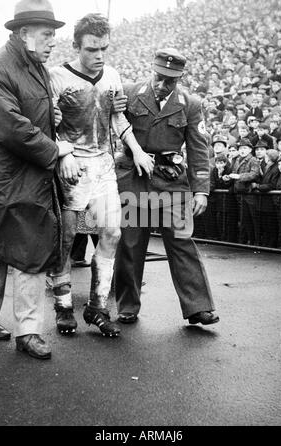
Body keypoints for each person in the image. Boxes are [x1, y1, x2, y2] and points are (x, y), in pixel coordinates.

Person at [49, 14, 154, 337]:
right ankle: (64, 305)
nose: (99, 56)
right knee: (66, 239)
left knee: (112, 234)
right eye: (92, 49)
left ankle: (97, 306)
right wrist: (62, 151)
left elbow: (118, 120)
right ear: (76, 46)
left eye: (103, 49)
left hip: (103, 165)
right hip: (72, 165)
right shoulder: (56, 77)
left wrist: (135, 149)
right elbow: (45, 125)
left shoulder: (111, 75)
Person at [0, 0, 71, 359]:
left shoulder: (38, 67)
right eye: (48, 34)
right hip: (3, 177)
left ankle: (29, 331)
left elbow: (30, 117)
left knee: (30, 253)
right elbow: (9, 125)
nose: (53, 42)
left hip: (32, 176)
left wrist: (51, 117)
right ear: (23, 34)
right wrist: (56, 151)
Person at [114, 48, 219, 326]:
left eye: (170, 81)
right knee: (130, 243)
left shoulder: (191, 103)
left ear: (180, 78)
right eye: (159, 78)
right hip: (134, 178)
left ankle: (198, 306)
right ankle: (127, 305)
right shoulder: (128, 92)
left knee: (182, 241)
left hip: (171, 182)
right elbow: (112, 127)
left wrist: (200, 190)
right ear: (152, 70)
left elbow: (199, 148)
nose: (162, 85)